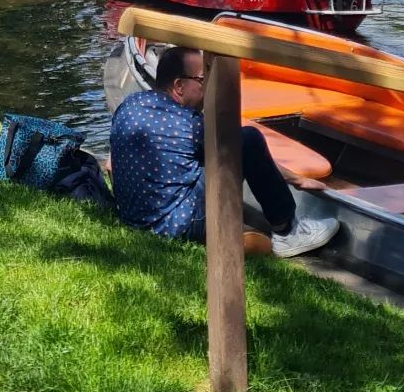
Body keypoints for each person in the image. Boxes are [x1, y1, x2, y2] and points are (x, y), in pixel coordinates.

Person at [110, 45, 339, 257]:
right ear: (179, 86)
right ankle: (288, 230)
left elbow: (112, 163)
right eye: (203, 79)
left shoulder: (129, 105)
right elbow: (240, 148)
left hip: (133, 218)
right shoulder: (190, 124)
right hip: (175, 225)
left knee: (215, 149)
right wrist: (297, 180)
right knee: (246, 139)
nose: (209, 86)